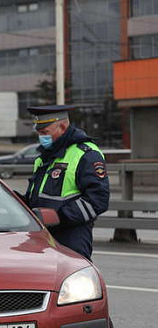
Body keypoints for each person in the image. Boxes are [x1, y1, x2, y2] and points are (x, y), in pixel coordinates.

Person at [24, 105, 110, 260]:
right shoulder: (44, 157)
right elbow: (34, 198)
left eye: (45, 133)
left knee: (72, 280)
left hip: (72, 237)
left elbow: (98, 200)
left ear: (62, 127)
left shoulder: (86, 154)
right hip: (42, 235)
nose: (41, 137)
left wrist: (59, 216)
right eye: (39, 133)